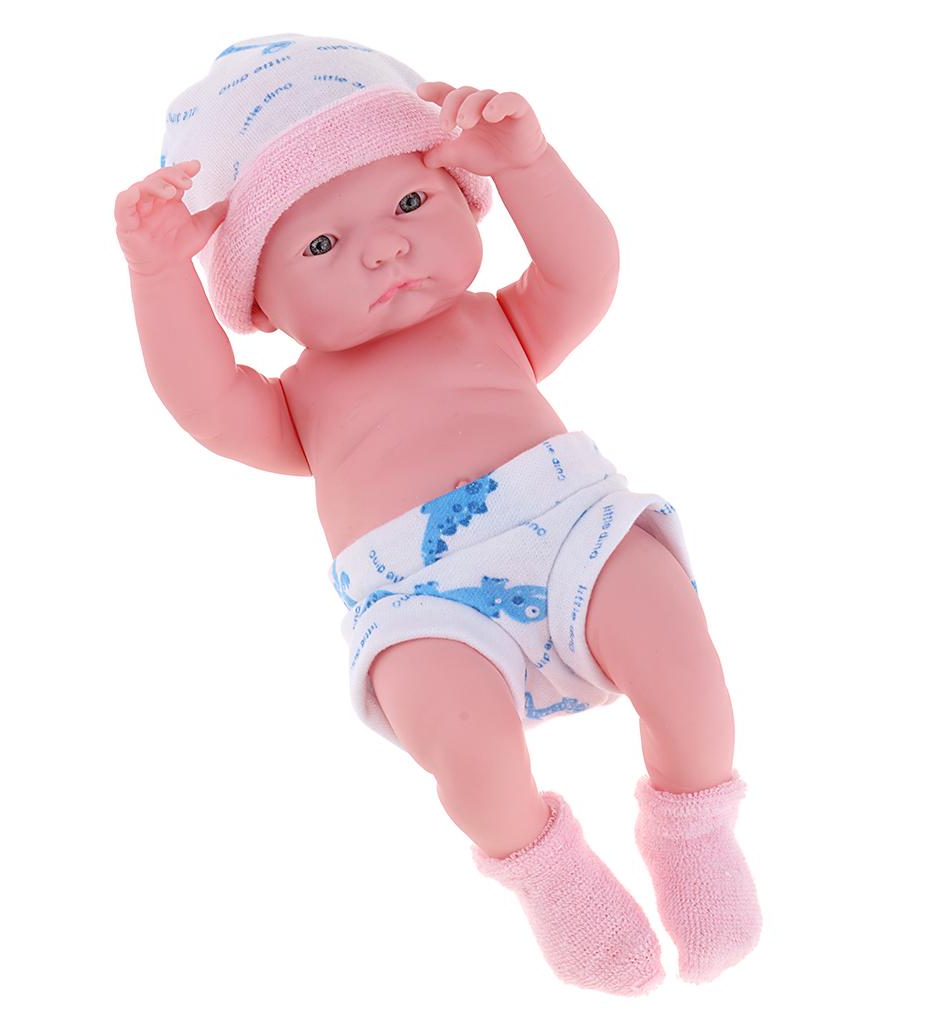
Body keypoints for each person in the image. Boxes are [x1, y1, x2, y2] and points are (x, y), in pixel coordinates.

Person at [114, 33, 761, 995]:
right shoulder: (298, 405)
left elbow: (586, 271)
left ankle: (694, 828)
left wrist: (530, 164)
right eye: (321, 245)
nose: (384, 247)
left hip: (570, 530)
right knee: (468, 756)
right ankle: (550, 877)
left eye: (410, 202)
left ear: (463, 193)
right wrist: (160, 276)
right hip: (422, 599)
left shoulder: (497, 323)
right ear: (260, 303)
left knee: (683, 660)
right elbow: (204, 403)